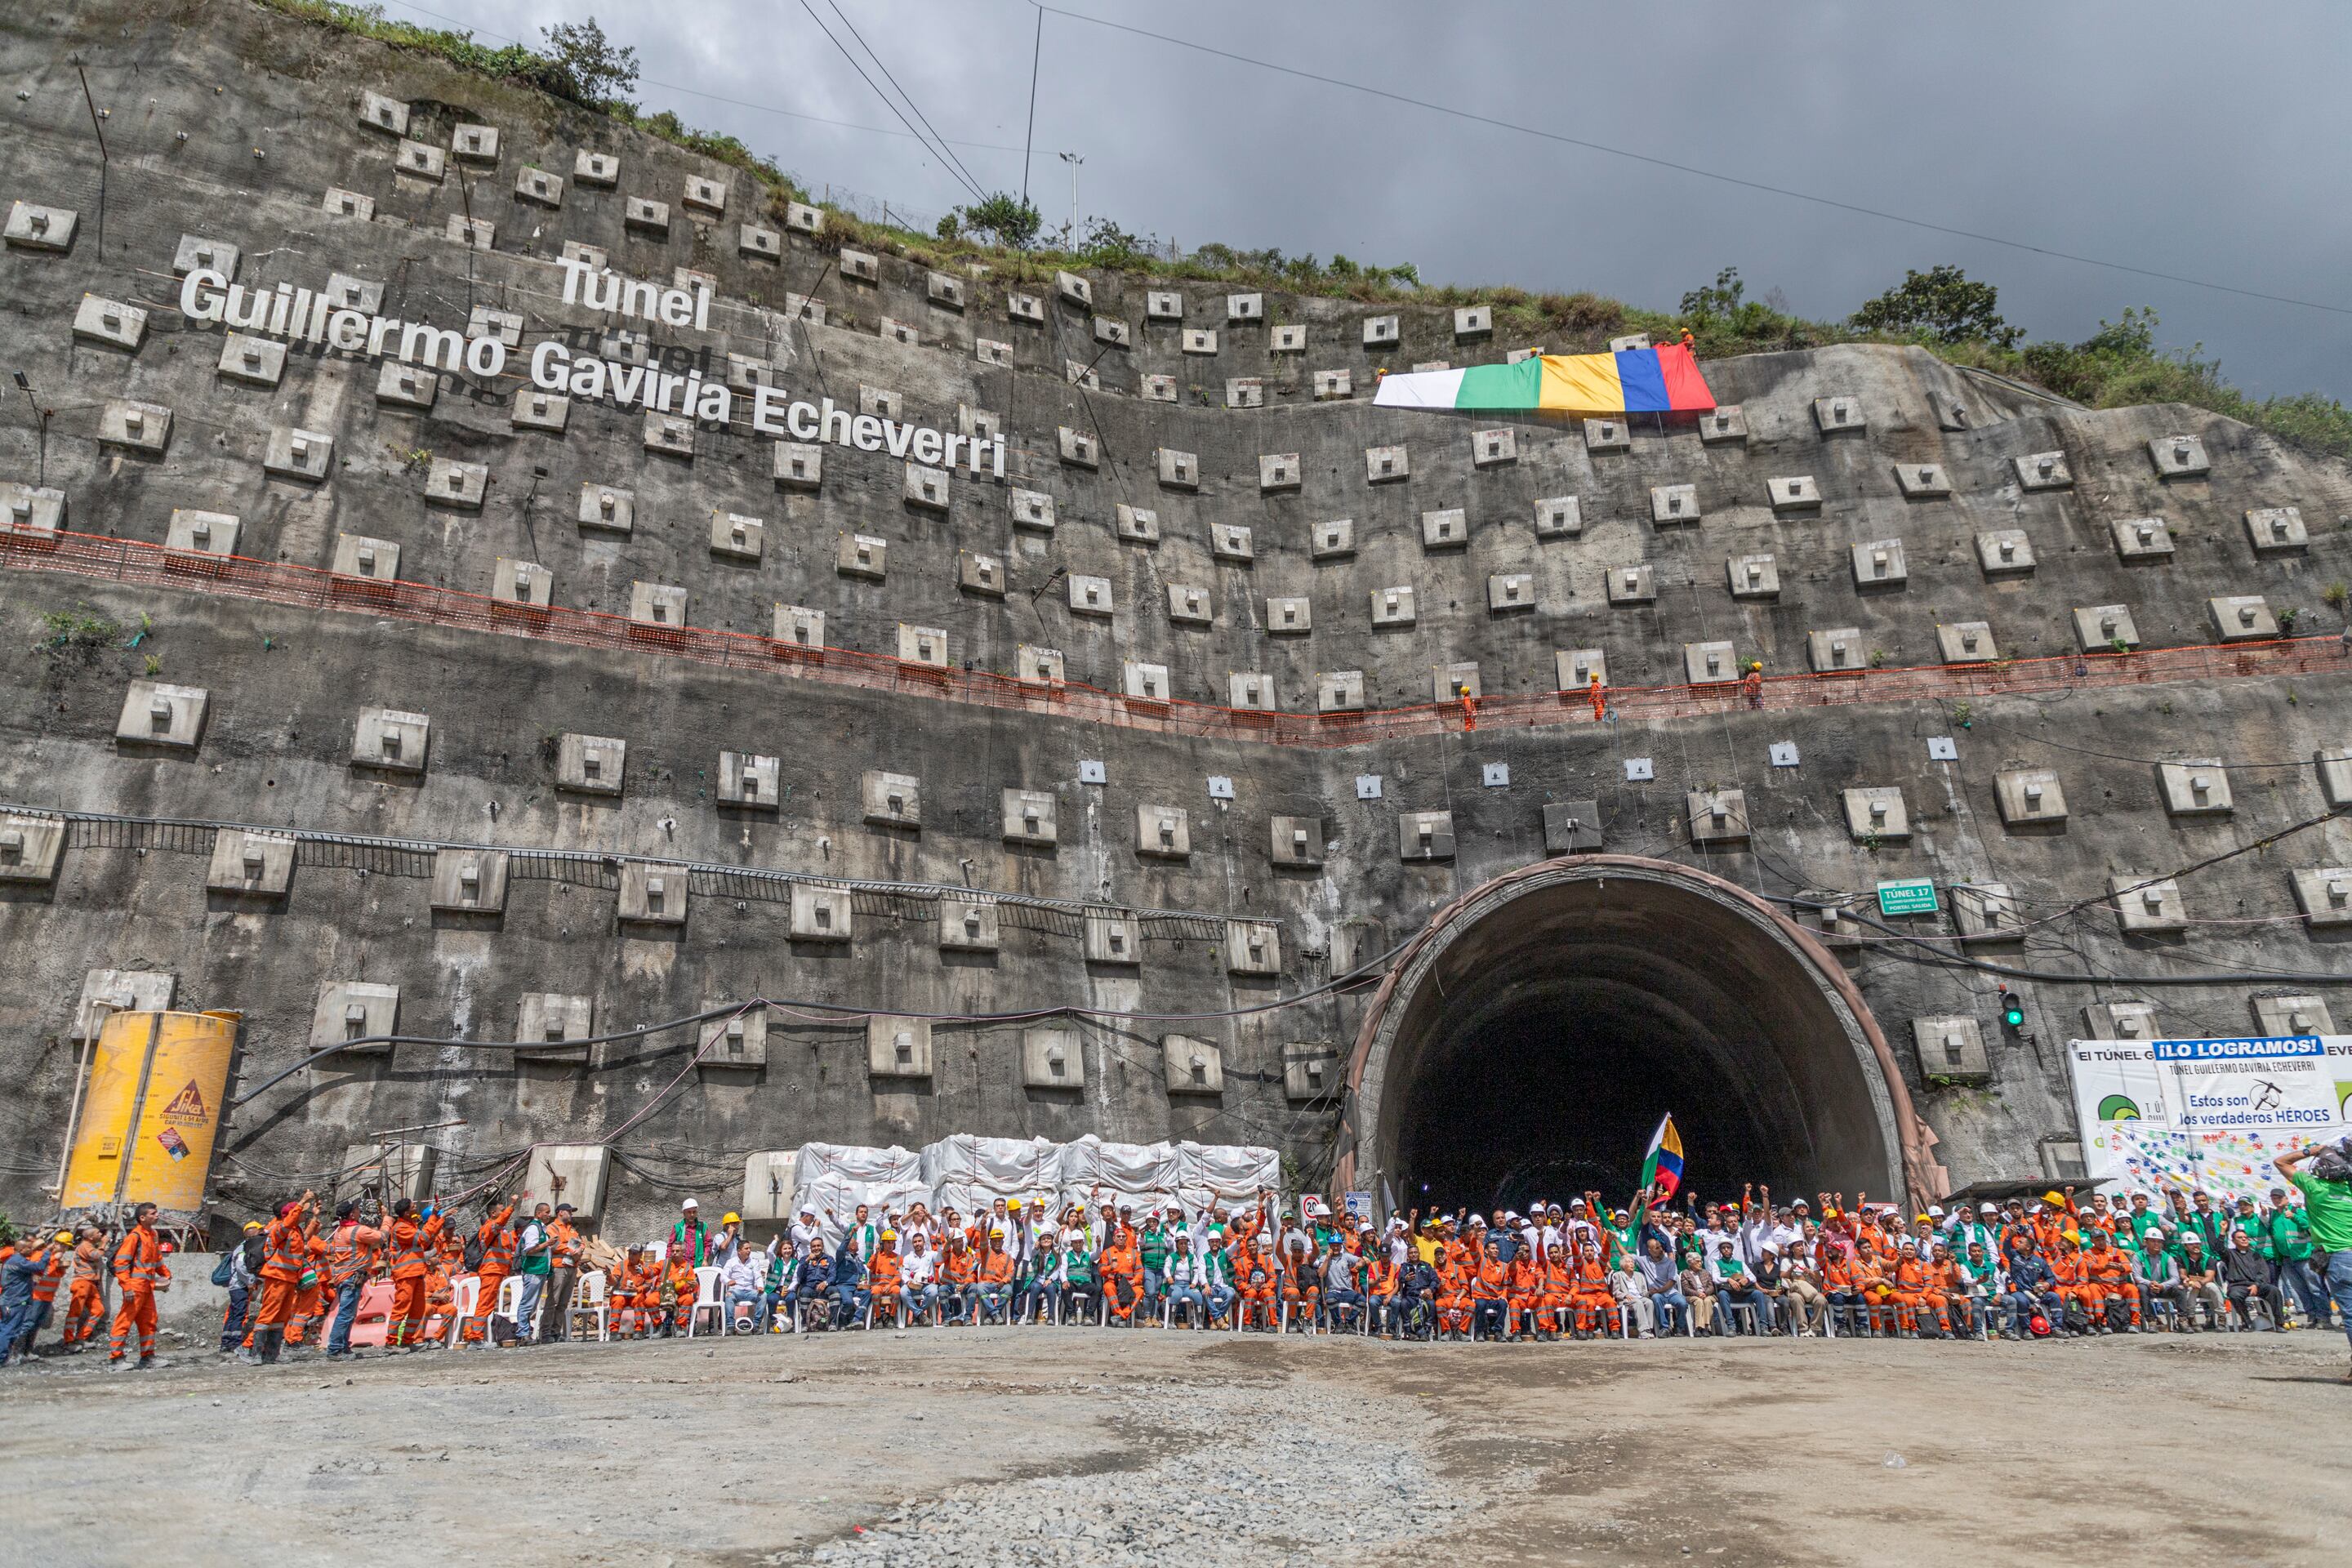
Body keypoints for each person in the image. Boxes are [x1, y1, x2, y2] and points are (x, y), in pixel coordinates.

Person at [2274, 1138, 2352, 1376]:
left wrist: (2312, 1150)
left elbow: (2280, 1161)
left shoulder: (2316, 1188)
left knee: (2350, 1314)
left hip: (2339, 1259)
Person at [108, 1202, 170, 1369]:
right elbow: (121, 1263)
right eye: (153, 1213)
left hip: (147, 1287)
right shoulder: (134, 1236)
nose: (157, 1215)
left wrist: (166, 1275)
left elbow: (156, 1259)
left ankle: (148, 1357)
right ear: (142, 1218)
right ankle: (116, 1358)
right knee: (125, 1321)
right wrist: (126, 1287)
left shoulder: (153, 1234)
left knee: (149, 1321)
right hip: (135, 1287)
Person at [322, 1201, 381, 1361]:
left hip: (344, 1277)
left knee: (348, 1314)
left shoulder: (339, 1231)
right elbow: (381, 1237)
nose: (359, 1212)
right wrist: (387, 1220)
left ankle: (343, 1347)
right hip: (352, 1277)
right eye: (357, 1210)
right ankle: (335, 1350)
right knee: (346, 1315)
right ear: (352, 1214)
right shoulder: (357, 1231)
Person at [2221, 1227, 2287, 1331]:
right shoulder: (2230, 1254)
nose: (2244, 1239)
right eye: (2240, 1238)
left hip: (2256, 1285)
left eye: (2245, 1237)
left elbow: (2264, 1273)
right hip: (2238, 1285)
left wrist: (2256, 1284)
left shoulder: (2256, 1255)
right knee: (2234, 1295)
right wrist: (2222, 1232)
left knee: (2274, 1290)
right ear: (2233, 1241)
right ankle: (2247, 1322)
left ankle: (2279, 1323)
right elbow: (2218, 1249)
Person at [540, 1203, 583, 1343]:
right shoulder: (552, 1227)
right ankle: (545, 1332)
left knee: (563, 1303)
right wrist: (571, 1249)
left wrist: (580, 1249)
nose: (571, 1214)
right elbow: (555, 1244)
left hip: (571, 1267)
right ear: (560, 1212)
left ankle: (556, 1331)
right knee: (553, 1301)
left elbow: (581, 1243)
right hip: (558, 1267)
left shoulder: (571, 1229)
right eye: (569, 1212)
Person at [512, 1203, 554, 1344]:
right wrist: (547, 1244)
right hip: (532, 1271)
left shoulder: (542, 1228)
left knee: (533, 1303)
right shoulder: (533, 1229)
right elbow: (529, 1250)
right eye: (546, 1212)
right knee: (527, 1303)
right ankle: (523, 1334)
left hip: (540, 1271)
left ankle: (526, 1332)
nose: (549, 1215)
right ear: (538, 1214)